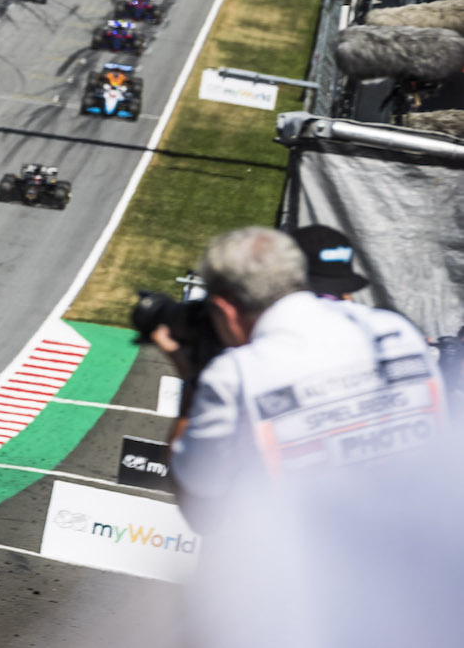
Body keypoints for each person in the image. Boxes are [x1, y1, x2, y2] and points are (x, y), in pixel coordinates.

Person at [156, 226, 444, 530]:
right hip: (422, 536)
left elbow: (201, 513)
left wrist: (194, 382)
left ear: (225, 310)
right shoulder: (400, 331)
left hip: (303, 553)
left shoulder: (236, 371)